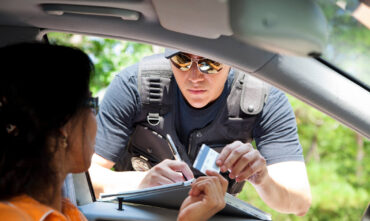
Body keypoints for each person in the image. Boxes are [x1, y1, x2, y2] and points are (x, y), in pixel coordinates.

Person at [0, 43, 227, 221]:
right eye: (90, 105)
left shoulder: (63, 210)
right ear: (62, 128)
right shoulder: (15, 216)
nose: (96, 120)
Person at [90, 49, 312, 216]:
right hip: (136, 214)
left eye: (210, 63)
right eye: (182, 60)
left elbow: (299, 202)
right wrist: (141, 182)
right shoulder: (133, 86)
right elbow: (81, 175)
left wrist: (262, 179)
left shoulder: (265, 98)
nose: (195, 76)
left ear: (231, 60)